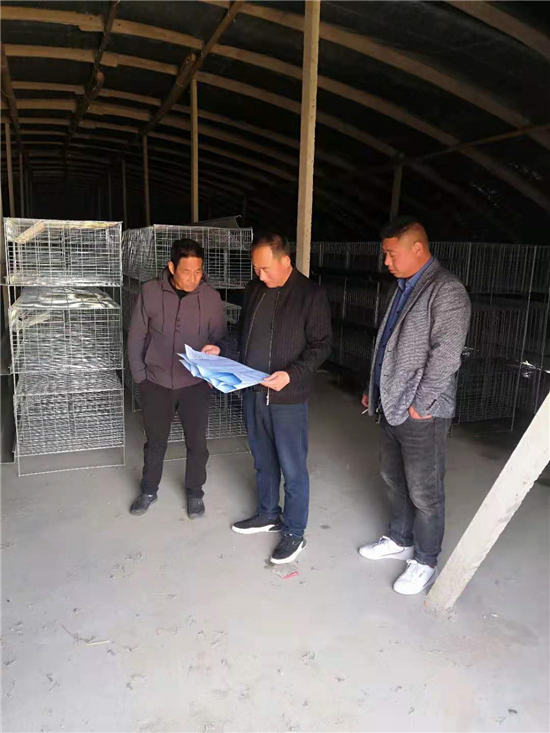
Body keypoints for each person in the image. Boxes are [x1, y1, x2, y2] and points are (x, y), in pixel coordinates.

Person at [202, 231, 332, 564]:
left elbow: (321, 346)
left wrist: (292, 374)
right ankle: (268, 513)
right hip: (253, 390)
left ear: (285, 261)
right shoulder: (255, 290)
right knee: (262, 460)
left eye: (265, 269)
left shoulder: (310, 295)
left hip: (288, 398)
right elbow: (242, 334)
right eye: (256, 269)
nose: (260, 275)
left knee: (293, 467)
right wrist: (222, 348)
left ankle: (294, 532)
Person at [360, 216, 471, 595]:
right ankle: (400, 538)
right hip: (390, 400)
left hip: (422, 411)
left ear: (418, 249)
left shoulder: (446, 290)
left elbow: (446, 355)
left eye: (392, 254)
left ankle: (425, 560)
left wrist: (421, 404)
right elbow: (387, 345)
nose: (386, 262)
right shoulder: (404, 286)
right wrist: (373, 388)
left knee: (425, 491)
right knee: (393, 477)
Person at [127, 239, 226, 519]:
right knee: (155, 442)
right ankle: (149, 489)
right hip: (156, 382)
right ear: (172, 267)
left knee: (197, 443)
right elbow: (136, 335)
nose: (193, 278)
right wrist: (140, 376)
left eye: (198, 271)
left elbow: (219, 338)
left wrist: (213, 372)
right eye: (186, 271)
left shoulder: (210, 297)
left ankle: (195, 492)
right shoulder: (150, 291)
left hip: (195, 383)